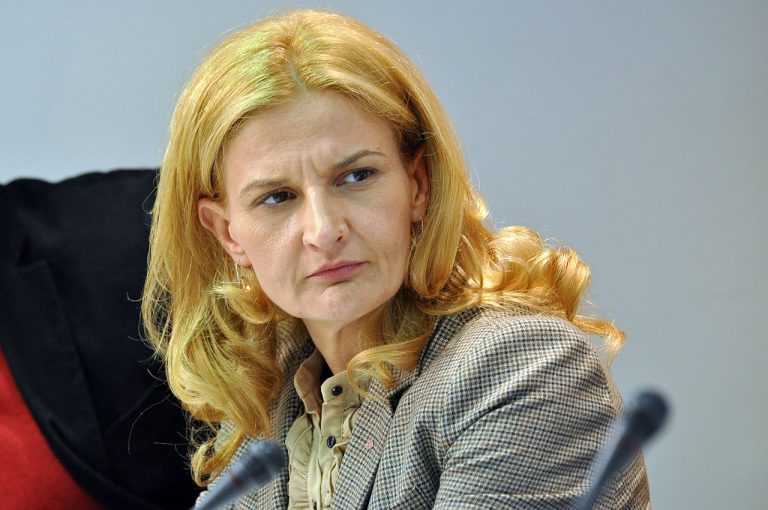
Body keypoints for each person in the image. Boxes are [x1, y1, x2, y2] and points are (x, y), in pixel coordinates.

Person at [142, 9, 650, 509]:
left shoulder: (521, 368)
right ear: (228, 233)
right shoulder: (270, 406)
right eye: (277, 197)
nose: (323, 231)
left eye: (356, 176)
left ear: (418, 185)